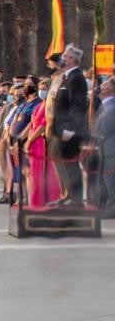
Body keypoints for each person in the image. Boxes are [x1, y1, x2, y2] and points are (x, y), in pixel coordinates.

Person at [46, 45, 91, 206]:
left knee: (70, 166)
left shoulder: (77, 78)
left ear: (73, 60)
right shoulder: (65, 77)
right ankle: (67, 194)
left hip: (69, 132)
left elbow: (77, 105)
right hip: (59, 129)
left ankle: (75, 200)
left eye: (66, 56)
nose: (63, 58)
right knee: (61, 165)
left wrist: (70, 128)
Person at [95, 77, 115, 218]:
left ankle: (112, 208)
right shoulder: (105, 105)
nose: (102, 86)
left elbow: (105, 129)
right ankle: (106, 206)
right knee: (105, 180)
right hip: (103, 149)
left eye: (105, 84)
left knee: (111, 181)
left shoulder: (112, 106)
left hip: (110, 149)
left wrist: (93, 140)